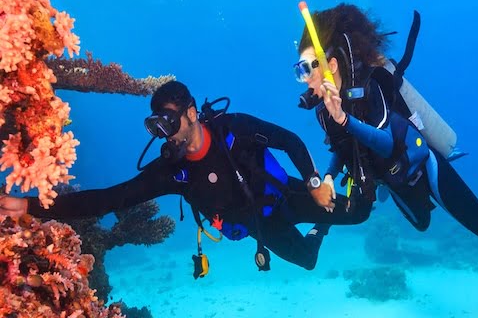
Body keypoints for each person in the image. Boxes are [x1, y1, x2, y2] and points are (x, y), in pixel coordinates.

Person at [293, 2, 478, 241]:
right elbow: (342, 148)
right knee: (422, 225)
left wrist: (344, 119)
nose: (304, 79)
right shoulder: (325, 110)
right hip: (395, 178)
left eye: (307, 68)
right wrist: (330, 176)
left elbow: (387, 143)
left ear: (331, 64)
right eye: (299, 71)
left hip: (421, 166)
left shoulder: (372, 88)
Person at [0, 81, 372, 274]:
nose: (167, 135)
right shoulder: (173, 173)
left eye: (169, 122)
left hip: (288, 196)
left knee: (361, 212)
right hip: (261, 226)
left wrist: (313, 183)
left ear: (191, 113)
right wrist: (30, 206)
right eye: (157, 127)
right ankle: (319, 230)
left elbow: (289, 141)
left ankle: (369, 156)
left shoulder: (233, 129)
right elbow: (109, 199)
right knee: (307, 260)